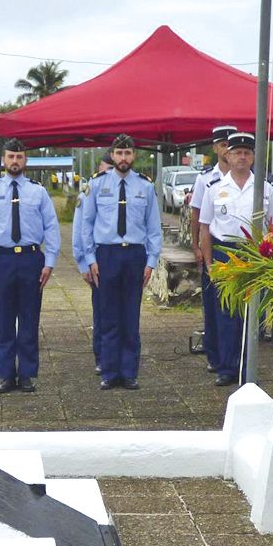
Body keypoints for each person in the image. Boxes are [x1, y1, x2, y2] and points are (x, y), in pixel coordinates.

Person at [0, 138, 61, 393]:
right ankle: (6, 374)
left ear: (26, 161)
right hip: (0, 260)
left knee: (30, 319)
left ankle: (27, 374)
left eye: (19, 157)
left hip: (32, 260)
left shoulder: (38, 192)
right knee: (5, 318)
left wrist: (50, 261)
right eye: (10, 157)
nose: (14, 161)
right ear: (3, 160)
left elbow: (51, 227)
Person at [77, 135, 162, 389]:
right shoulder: (96, 185)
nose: (123, 158)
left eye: (127, 153)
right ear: (112, 156)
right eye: (119, 153)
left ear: (134, 156)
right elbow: (86, 225)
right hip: (107, 255)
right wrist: (90, 258)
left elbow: (153, 227)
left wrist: (151, 261)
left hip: (135, 255)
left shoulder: (145, 187)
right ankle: (109, 371)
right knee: (109, 316)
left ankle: (129, 372)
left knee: (130, 316)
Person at [198, 131, 273, 386]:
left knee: (251, 315)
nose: (242, 157)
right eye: (237, 152)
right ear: (228, 155)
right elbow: (205, 228)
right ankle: (227, 368)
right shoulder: (214, 189)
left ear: (254, 156)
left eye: (247, 152)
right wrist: (210, 265)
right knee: (225, 314)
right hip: (225, 253)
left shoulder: (265, 189)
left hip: (255, 253)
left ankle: (248, 369)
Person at [190, 125, 236, 374]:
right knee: (213, 303)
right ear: (216, 147)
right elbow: (196, 215)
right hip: (214, 248)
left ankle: (234, 355)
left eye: (232, 144)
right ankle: (215, 354)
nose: (228, 149)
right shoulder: (206, 179)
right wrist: (196, 245)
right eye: (223, 144)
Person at [74, 156, 115, 374]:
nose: (110, 174)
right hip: (97, 263)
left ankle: (118, 356)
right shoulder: (90, 192)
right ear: (99, 168)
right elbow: (80, 231)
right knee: (102, 313)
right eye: (106, 169)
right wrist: (83, 263)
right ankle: (101, 356)